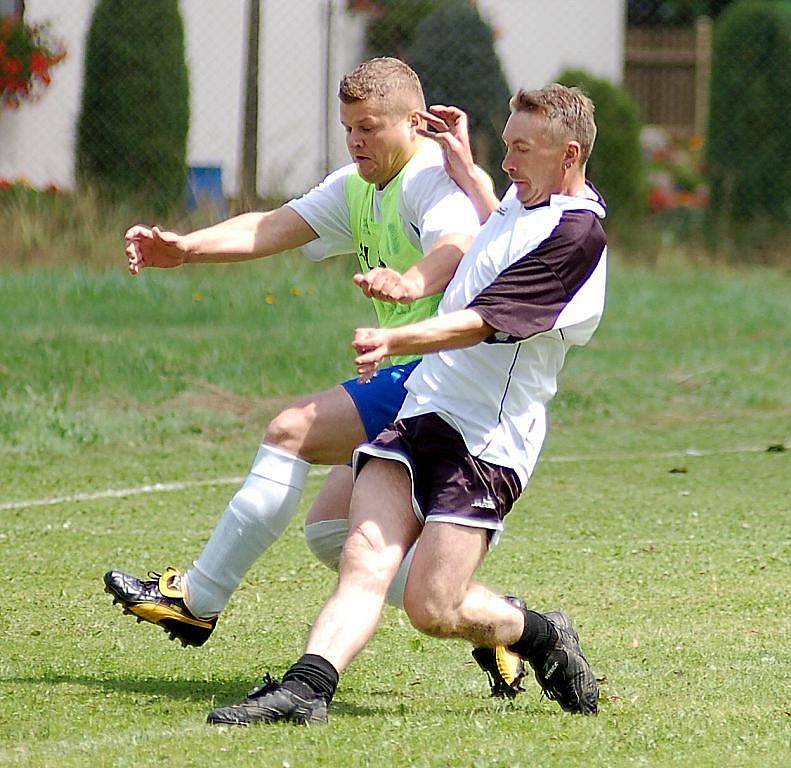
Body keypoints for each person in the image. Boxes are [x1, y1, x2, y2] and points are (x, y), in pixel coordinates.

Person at [204, 83, 606, 726]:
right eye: (506, 146)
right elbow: (500, 220)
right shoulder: (527, 198)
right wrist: (466, 165)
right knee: (362, 558)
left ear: (571, 154)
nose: (508, 163)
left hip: (486, 440)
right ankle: (307, 688)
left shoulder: (578, 239)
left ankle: (536, 633)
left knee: (435, 608)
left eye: (521, 150)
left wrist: (397, 335)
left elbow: (483, 322)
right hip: (423, 408)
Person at [103, 57, 483, 648]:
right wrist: (185, 249)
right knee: (332, 530)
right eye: (349, 127)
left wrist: (412, 282)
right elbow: (274, 226)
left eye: (371, 127)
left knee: (290, 430)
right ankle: (495, 624)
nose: (357, 140)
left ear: (415, 122)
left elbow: (457, 244)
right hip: (413, 372)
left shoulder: (431, 178)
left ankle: (196, 600)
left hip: (441, 372)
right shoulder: (357, 186)